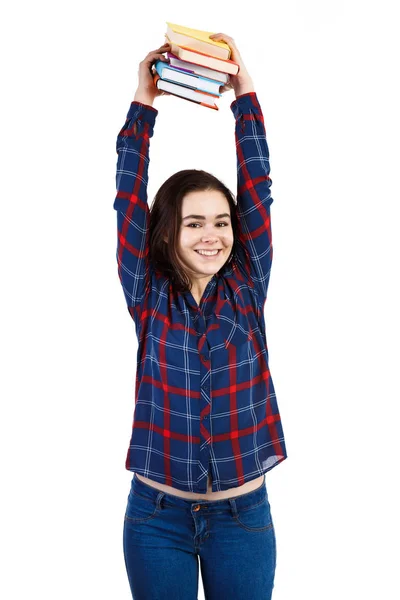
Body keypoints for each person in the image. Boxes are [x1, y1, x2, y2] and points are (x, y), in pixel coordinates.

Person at [114, 33, 287, 600]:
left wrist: (246, 94)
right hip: (156, 519)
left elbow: (257, 185)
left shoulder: (247, 284)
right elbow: (128, 194)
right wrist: (145, 104)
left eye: (220, 221)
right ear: (168, 231)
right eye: (194, 223)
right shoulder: (147, 293)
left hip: (241, 520)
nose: (211, 235)